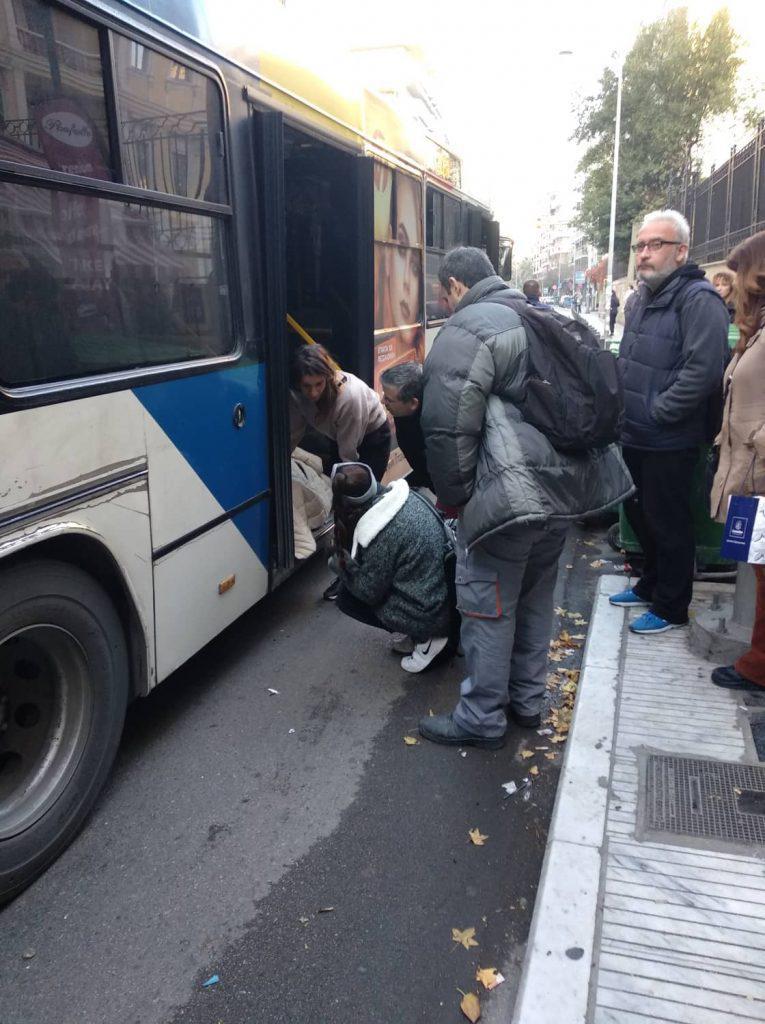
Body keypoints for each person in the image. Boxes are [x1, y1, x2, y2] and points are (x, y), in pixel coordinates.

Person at [417, 246, 633, 749]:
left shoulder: (470, 327)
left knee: (488, 605)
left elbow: (448, 428)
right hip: (565, 491)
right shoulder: (543, 314)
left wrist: (458, 500)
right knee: (536, 596)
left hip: (512, 499)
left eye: (442, 294)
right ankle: (528, 702)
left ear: (453, 286)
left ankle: (481, 717)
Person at [611, 209, 729, 634]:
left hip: (668, 437)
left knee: (669, 521)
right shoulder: (642, 297)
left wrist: (661, 412)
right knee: (639, 513)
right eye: (640, 245)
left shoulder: (699, 300)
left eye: (654, 245)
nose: (644, 253)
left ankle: (672, 606)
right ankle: (651, 583)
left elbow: (703, 371)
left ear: (681, 251)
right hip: (635, 432)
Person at [709, 231, 765, 693]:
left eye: (738, 272)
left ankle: (759, 666)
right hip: (746, 472)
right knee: (756, 565)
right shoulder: (758, 328)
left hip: (759, 472)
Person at [290, 343, 391, 599]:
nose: (312, 393)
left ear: (327, 378)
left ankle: (362, 573)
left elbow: (349, 459)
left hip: (370, 441)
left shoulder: (349, 397)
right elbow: (297, 428)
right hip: (341, 440)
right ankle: (349, 570)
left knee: (357, 509)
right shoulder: (299, 395)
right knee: (344, 513)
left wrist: (341, 499)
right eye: (306, 386)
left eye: (318, 385)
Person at [329, 463, 452, 673]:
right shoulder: (406, 497)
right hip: (443, 591)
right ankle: (419, 632)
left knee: (347, 599)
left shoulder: (380, 532)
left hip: (432, 611)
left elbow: (368, 593)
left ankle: (428, 638)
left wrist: (340, 566)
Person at [380, 362, 433, 492]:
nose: (382, 401)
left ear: (413, 403)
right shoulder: (404, 413)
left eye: (389, 400)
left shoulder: (433, 433)